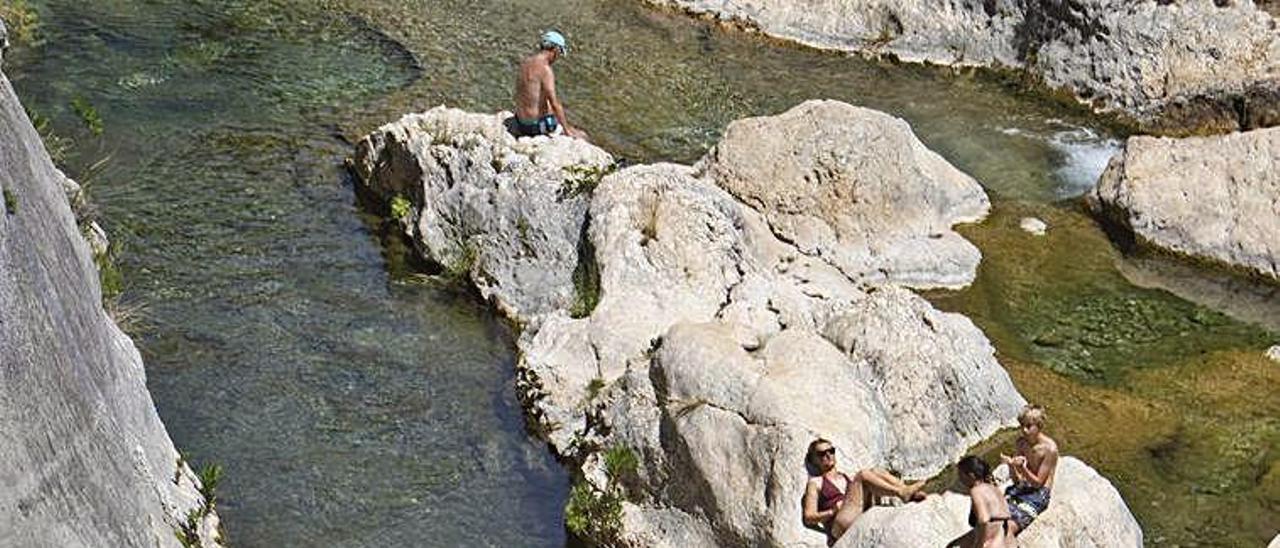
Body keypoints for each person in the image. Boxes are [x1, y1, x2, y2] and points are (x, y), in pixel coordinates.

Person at [801, 438, 927, 542]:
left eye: (831, 451)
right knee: (863, 475)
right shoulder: (816, 482)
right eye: (822, 454)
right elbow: (808, 517)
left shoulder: (846, 477)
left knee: (876, 471)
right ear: (814, 460)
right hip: (839, 524)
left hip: (857, 513)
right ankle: (902, 493)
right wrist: (832, 511)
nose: (828, 455)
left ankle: (907, 491)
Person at [998, 404, 1058, 542]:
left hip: (1038, 494)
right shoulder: (1021, 443)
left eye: (1029, 426)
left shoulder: (1049, 449)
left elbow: (1038, 484)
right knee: (994, 520)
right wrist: (1011, 465)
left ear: (1039, 426)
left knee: (1008, 529)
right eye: (1022, 426)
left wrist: (1023, 469)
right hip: (1022, 488)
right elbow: (1017, 481)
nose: (1024, 430)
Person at [512, 30, 585, 139]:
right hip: (532, 127)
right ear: (555, 50)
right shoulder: (545, 70)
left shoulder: (526, 62)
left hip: (519, 121)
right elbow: (555, 103)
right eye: (559, 53)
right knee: (582, 135)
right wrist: (567, 130)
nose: (558, 57)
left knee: (547, 105)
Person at [949, 455, 1012, 548]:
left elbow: (984, 520)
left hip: (993, 541)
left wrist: (979, 545)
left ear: (971, 475)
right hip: (1005, 536)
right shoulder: (993, 488)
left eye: (961, 475)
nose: (960, 479)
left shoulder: (976, 490)